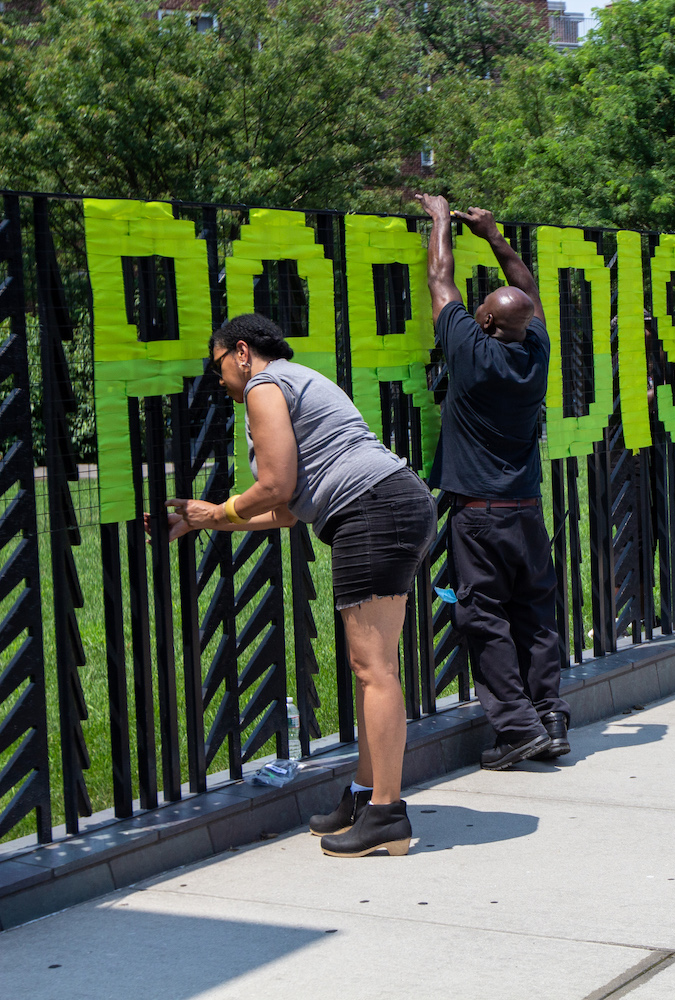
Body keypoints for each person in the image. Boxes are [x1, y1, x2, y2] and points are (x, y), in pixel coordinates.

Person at [160, 313, 436, 859]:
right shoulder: (294, 381)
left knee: (374, 668)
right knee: (369, 669)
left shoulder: (264, 385)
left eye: (216, 365)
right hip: (388, 504)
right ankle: (364, 797)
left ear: (241, 352)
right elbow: (287, 511)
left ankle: (387, 815)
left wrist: (218, 508)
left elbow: (275, 484)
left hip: (373, 509)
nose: (217, 380)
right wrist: (209, 520)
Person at [415, 192, 571, 769]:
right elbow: (524, 289)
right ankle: (550, 716)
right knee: (534, 611)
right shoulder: (537, 351)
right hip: (526, 508)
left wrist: (440, 219)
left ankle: (516, 727)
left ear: (484, 321)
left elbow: (439, 278)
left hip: (477, 514)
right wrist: (495, 236)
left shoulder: (469, 350)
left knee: (483, 615)